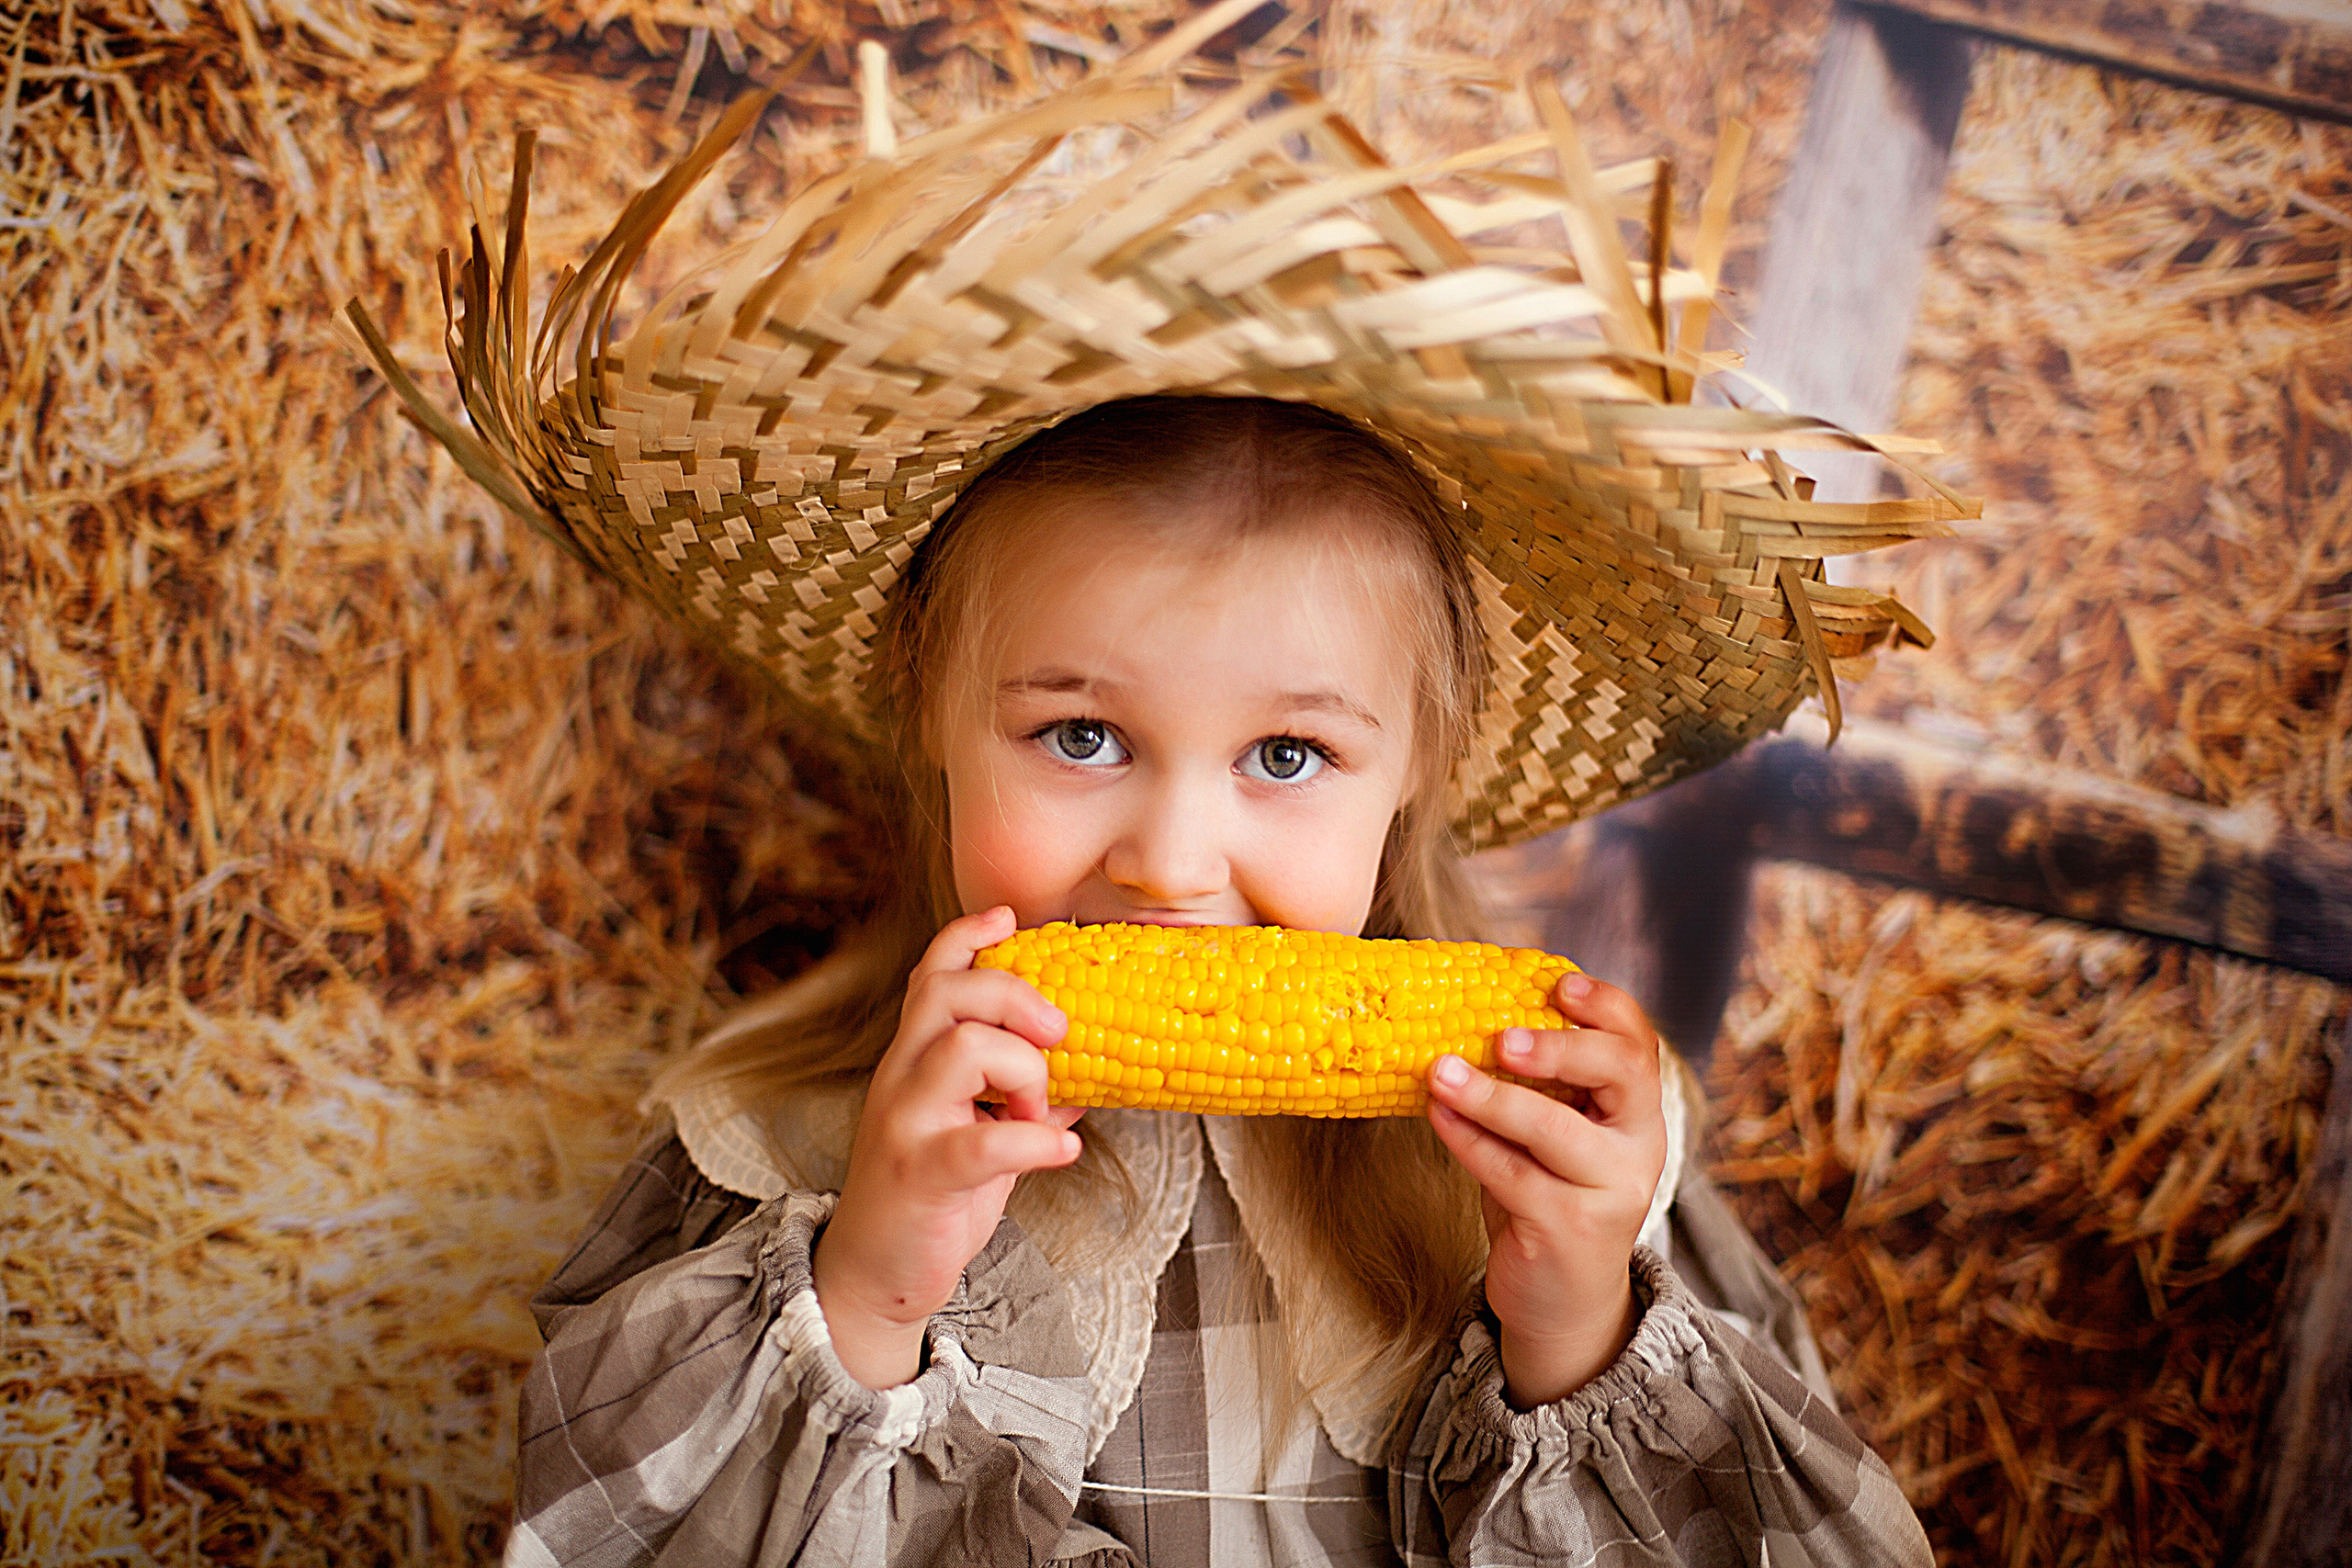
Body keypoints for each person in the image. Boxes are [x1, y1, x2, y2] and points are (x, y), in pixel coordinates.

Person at [349, 22, 1962, 1564]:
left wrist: (1575, 1326)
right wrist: (868, 1296)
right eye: (1083, 738)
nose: (1173, 863)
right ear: (937, 718)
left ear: (1413, 781)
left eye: (1287, 758)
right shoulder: (779, 1145)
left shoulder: (1562, 1171)